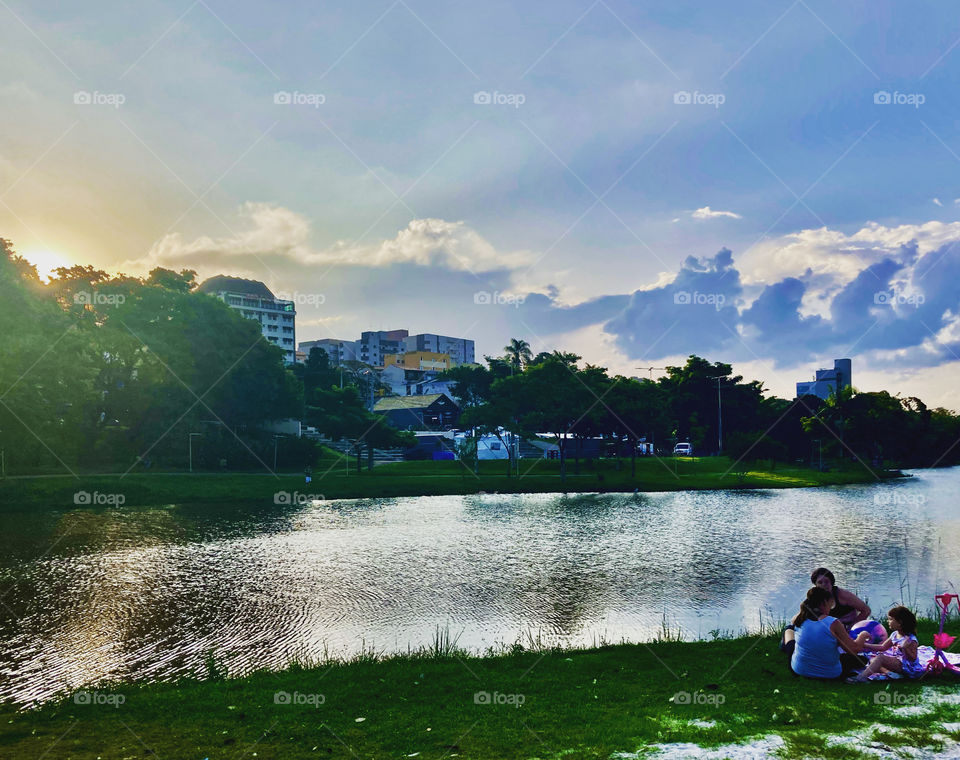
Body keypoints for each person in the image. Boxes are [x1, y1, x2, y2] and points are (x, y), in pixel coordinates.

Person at [784, 586, 868, 679]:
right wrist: (863, 635)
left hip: (799, 670)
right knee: (861, 660)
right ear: (824, 603)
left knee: (789, 631)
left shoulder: (800, 618)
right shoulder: (833, 622)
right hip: (829, 674)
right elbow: (854, 649)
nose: (830, 609)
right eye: (830, 605)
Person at [850, 606, 923, 681]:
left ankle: (861, 678)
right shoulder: (895, 634)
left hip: (908, 667)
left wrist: (905, 648)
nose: (888, 621)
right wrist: (865, 645)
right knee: (873, 660)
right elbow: (883, 647)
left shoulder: (910, 639)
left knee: (880, 658)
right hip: (898, 662)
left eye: (891, 619)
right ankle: (890, 673)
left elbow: (913, 658)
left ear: (900, 623)